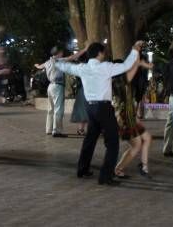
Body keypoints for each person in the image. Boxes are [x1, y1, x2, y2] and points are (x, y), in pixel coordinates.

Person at [55, 40, 144, 186]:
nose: (104, 54)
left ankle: (82, 169)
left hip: (90, 108)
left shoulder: (82, 68)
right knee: (113, 143)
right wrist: (134, 49)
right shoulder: (105, 67)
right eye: (103, 52)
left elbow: (60, 64)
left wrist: (66, 56)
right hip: (103, 108)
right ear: (99, 53)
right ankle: (105, 177)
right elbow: (126, 65)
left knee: (90, 139)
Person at [114, 57, 154, 179]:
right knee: (136, 145)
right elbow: (121, 104)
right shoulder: (118, 82)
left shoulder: (122, 81)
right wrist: (141, 63)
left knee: (147, 138)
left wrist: (135, 115)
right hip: (124, 118)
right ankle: (118, 168)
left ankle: (144, 167)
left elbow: (129, 102)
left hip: (129, 116)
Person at [35, 46, 87, 137]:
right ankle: (57, 131)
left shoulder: (48, 62)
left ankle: (49, 129)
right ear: (59, 53)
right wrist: (85, 49)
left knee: (50, 109)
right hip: (58, 86)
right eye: (62, 52)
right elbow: (73, 57)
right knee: (58, 109)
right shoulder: (60, 60)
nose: (63, 53)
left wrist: (36, 65)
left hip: (50, 86)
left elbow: (40, 66)